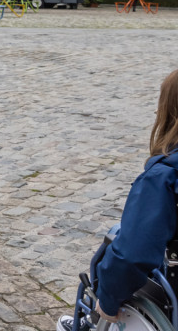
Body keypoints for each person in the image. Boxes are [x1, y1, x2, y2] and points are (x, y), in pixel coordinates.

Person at [56, 69, 178, 328]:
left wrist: (109, 301)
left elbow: (133, 254)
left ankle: (94, 317)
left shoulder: (164, 176)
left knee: (113, 246)